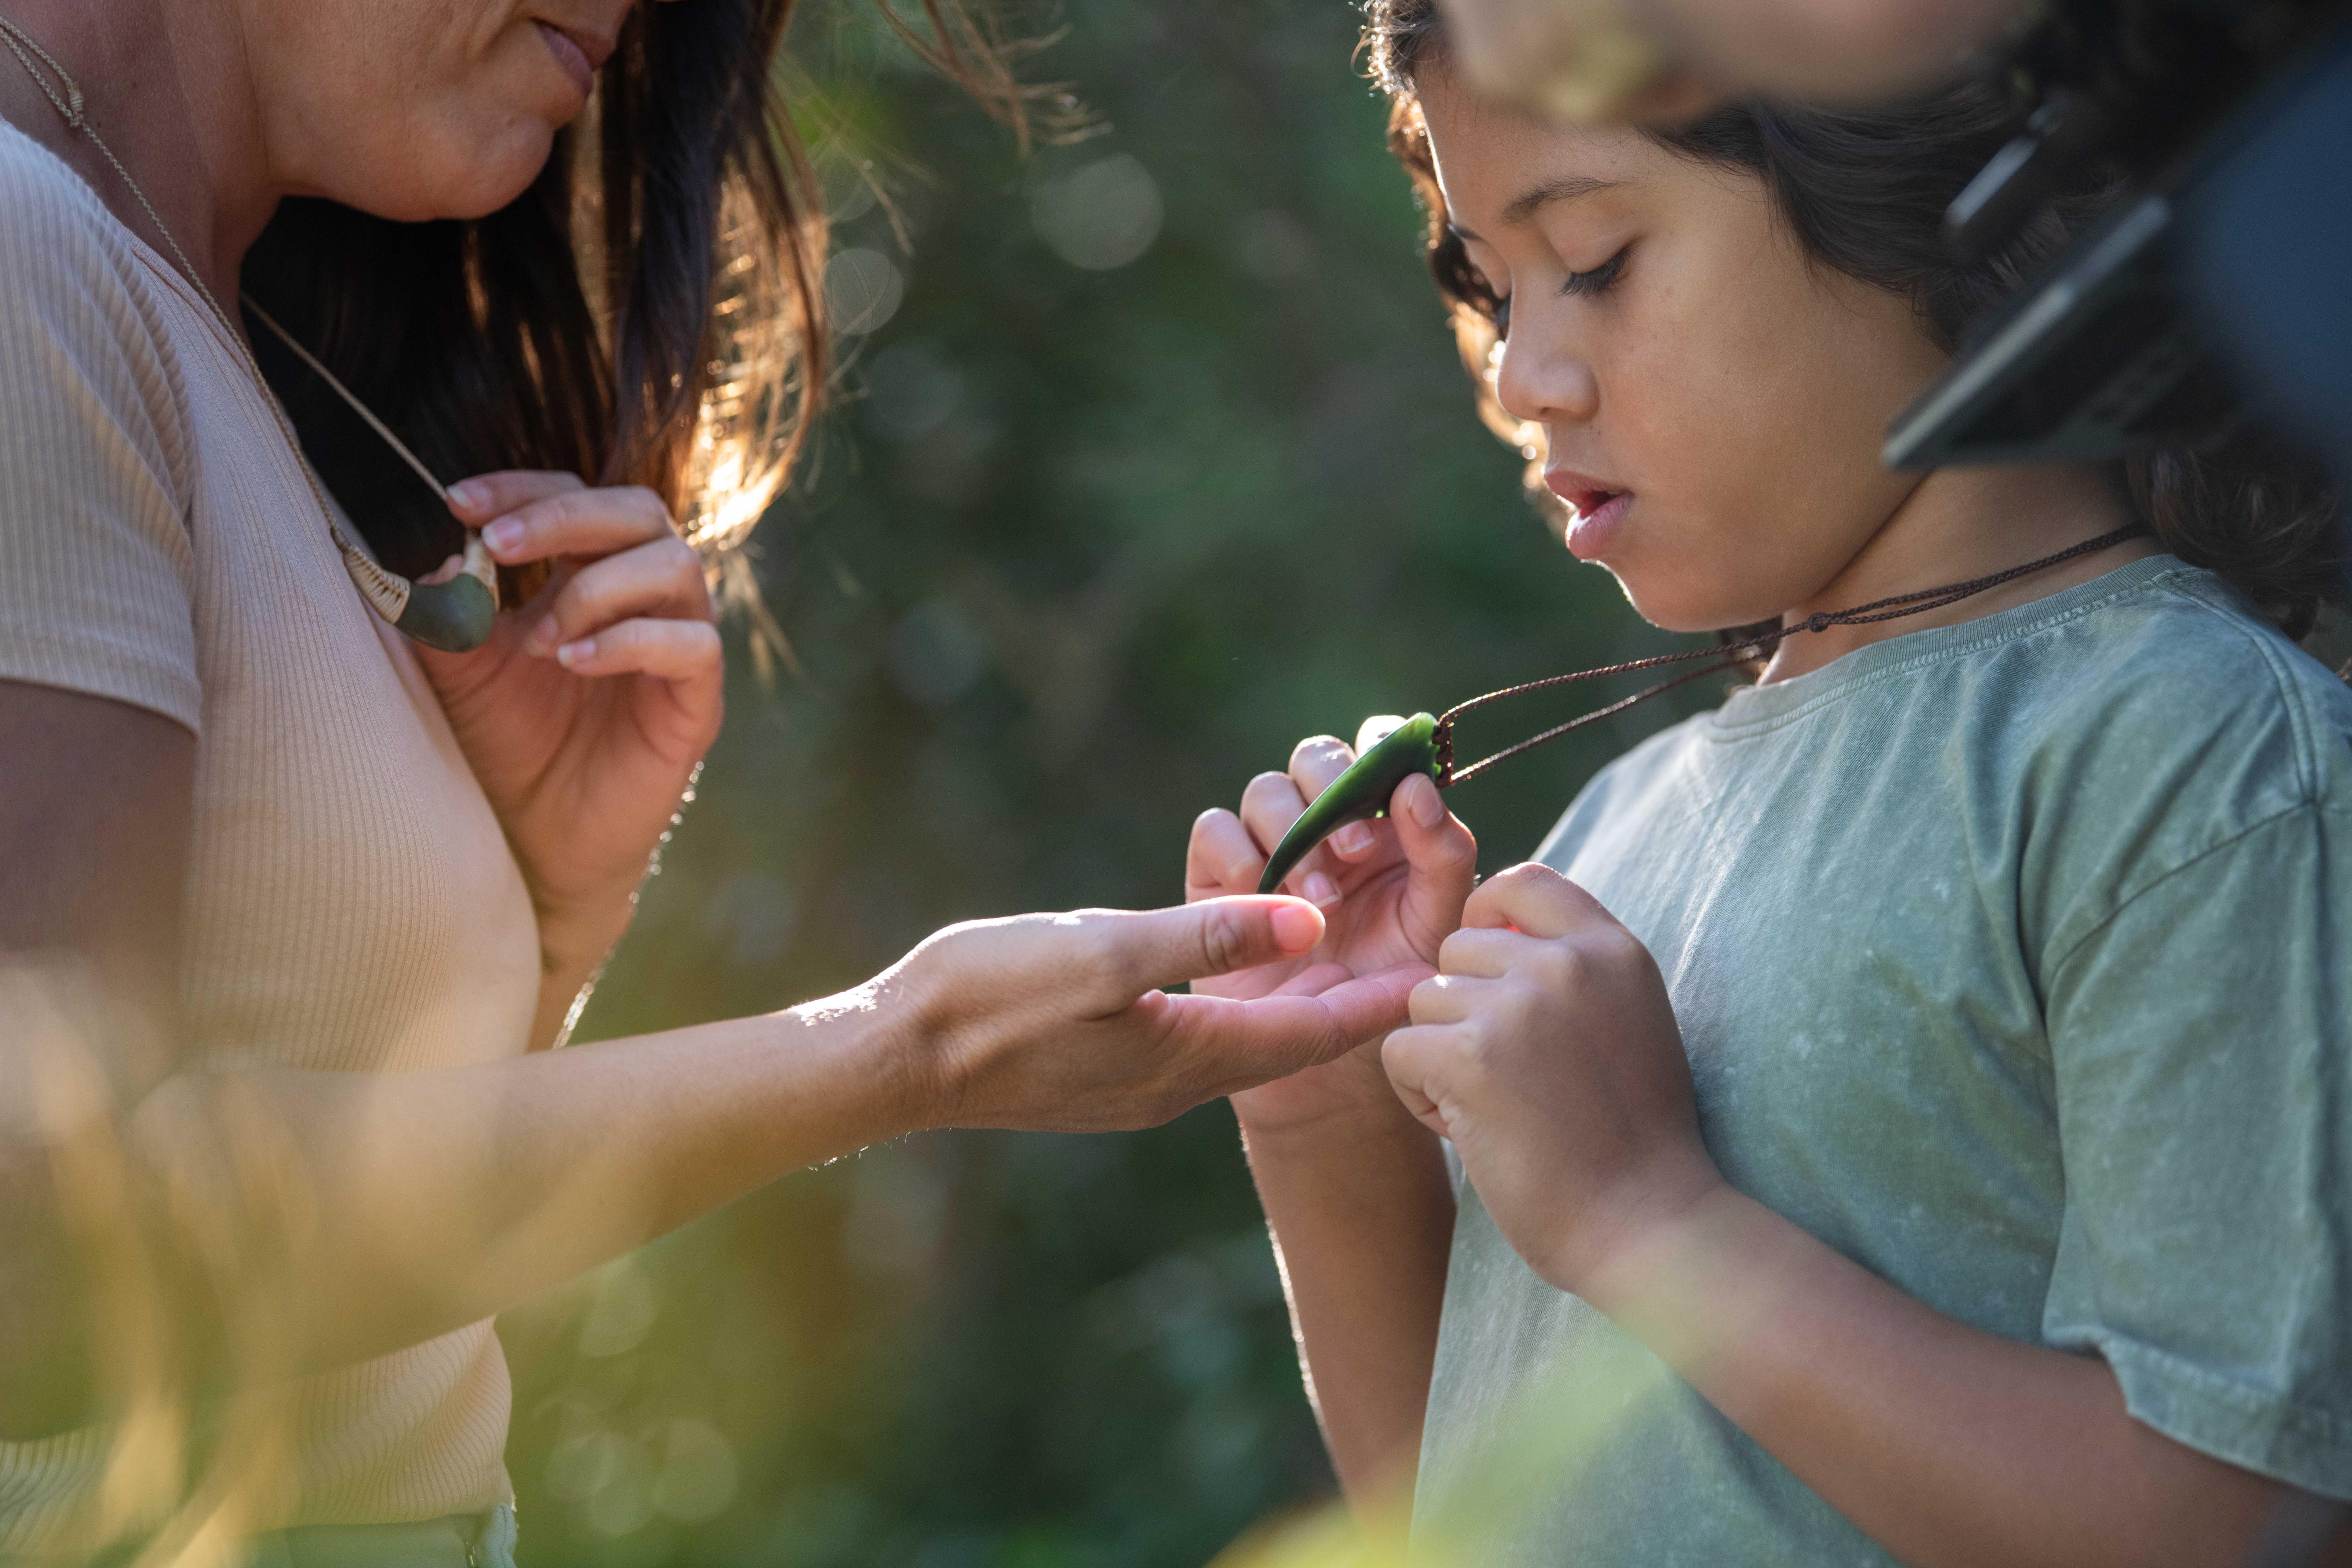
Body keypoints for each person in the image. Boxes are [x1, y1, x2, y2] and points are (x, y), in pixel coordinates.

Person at [0, 1, 1413, 1560]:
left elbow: (324, 1288)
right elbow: (43, 1267)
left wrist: (545, 911)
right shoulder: (21, 253)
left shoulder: (209, 312)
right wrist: (904, 1047)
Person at [1186, 1, 2352, 1562]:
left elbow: (2244, 1521)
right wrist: (1321, 1115)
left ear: (1931, 185)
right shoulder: (1623, 822)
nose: (1525, 370)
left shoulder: (2189, 756)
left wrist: (1652, 1223)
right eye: (1492, 284)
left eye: (1593, 258)